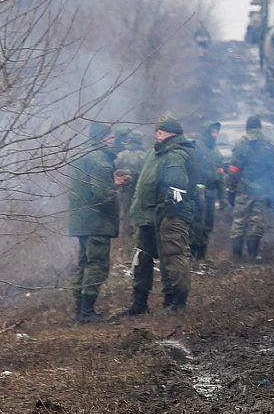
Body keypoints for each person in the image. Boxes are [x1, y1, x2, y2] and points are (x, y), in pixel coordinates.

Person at [125, 118, 199, 314]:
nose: (156, 134)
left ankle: (175, 303)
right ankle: (139, 304)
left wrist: (170, 210)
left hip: (168, 216)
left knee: (173, 257)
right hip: (148, 215)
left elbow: (177, 187)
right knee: (142, 258)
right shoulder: (156, 152)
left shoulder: (175, 154)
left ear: (170, 133)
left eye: (160, 131)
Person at [66, 122, 119, 323]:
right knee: (96, 265)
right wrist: (116, 189)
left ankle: (79, 309)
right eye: (110, 137)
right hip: (97, 222)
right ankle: (87, 312)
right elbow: (102, 196)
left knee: (83, 264)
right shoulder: (100, 161)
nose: (113, 141)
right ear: (102, 138)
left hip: (80, 220)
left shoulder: (79, 155)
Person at [229, 116, 274, 260]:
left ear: (247, 127)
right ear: (260, 127)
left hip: (243, 189)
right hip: (262, 190)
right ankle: (253, 254)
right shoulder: (269, 145)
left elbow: (234, 169)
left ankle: (237, 255)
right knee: (256, 221)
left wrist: (230, 189)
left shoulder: (240, 144)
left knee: (239, 220)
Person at [189, 122, 224, 260]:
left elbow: (220, 176)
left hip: (210, 193)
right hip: (197, 192)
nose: (215, 135)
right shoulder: (197, 148)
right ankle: (192, 252)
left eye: (217, 132)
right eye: (212, 132)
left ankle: (201, 255)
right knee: (195, 223)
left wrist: (223, 197)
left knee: (208, 224)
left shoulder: (217, 153)